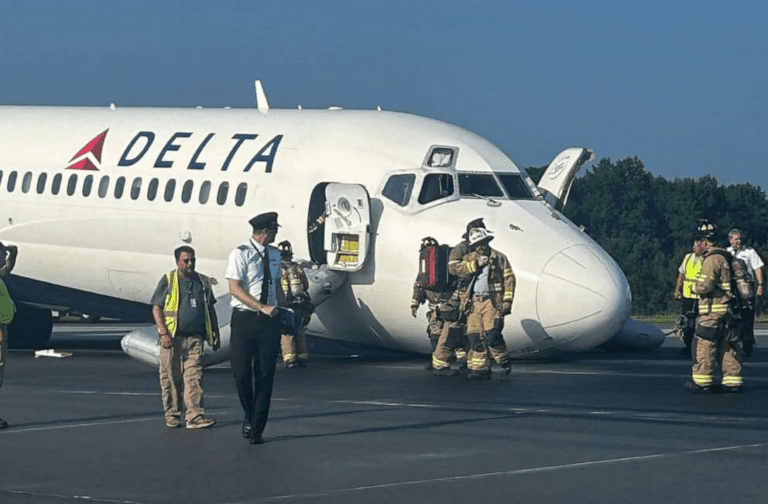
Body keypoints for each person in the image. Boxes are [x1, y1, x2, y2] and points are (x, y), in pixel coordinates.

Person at [226, 212, 283, 445]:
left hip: (269, 322)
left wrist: (285, 312)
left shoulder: (275, 254)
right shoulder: (241, 254)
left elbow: (276, 285)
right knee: (241, 372)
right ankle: (249, 414)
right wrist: (261, 306)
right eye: (274, 230)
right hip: (245, 318)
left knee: (265, 374)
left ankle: (257, 426)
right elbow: (235, 288)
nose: (276, 234)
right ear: (264, 232)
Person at [150, 245, 220, 429]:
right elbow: (156, 307)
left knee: (194, 377)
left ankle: (195, 416)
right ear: (177, 261)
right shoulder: (168, 280)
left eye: (193, 260)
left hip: (195, 338)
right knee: (171, 378)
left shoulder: (203, 282)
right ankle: (172, 415)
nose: (190, 263)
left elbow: (210, 308)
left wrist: (214, 333)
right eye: (186, 260)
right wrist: (163, 332)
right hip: (173, 339)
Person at [453, 224, 515, 380]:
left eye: (481, 243)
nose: (479, 247)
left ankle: (504, 360)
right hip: (473, 303)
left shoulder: (499, 258)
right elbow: (457, 270)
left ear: (487, 241)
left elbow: (509, 279)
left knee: (492, 334)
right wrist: (475, 265)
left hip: (491, 302)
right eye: (476, 245)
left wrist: (507, 301)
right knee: (474, 336)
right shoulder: (470, 258)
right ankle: (481, 369)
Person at [686, 225, 743, 393]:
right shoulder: (728, 257)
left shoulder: (712, 259)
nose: (696, 246)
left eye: (698, 242)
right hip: (729, 310)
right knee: (728, 346)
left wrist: (694, 287)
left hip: (712, 311)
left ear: (705, 242)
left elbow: (705, 286)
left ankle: (702, 381)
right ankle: (733, 381)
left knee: (705, 345)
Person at [727, 228, 764, 356]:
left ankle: (748, 341)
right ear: (730, 240)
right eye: (736, 239)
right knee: (733, 315)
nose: (738, 241)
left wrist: (760, 285)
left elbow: (757, 268)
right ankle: (733, 341)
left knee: (747, 315)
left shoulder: (749, 252)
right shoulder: (727, 252)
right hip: (732, 288)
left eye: (740, 239)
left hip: (746, 287)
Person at [278, 240, 312, 369]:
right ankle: (302, 357)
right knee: (299, 330)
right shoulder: (297, 267)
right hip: (299, 304)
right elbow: (306, 284)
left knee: (287, 332)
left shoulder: (277, 268)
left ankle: (290, 358)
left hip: (286, 304)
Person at [673, 238, 704, 356]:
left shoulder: (706, 260)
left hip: (701, 295)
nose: (695, 248)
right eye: (694, 246)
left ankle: (700, 347)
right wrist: (677, 289)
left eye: (698, 246)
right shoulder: (688, 258)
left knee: (702, 323)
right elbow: (681, 274)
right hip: (688, 295)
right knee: (687, 323)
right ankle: (688, 345)